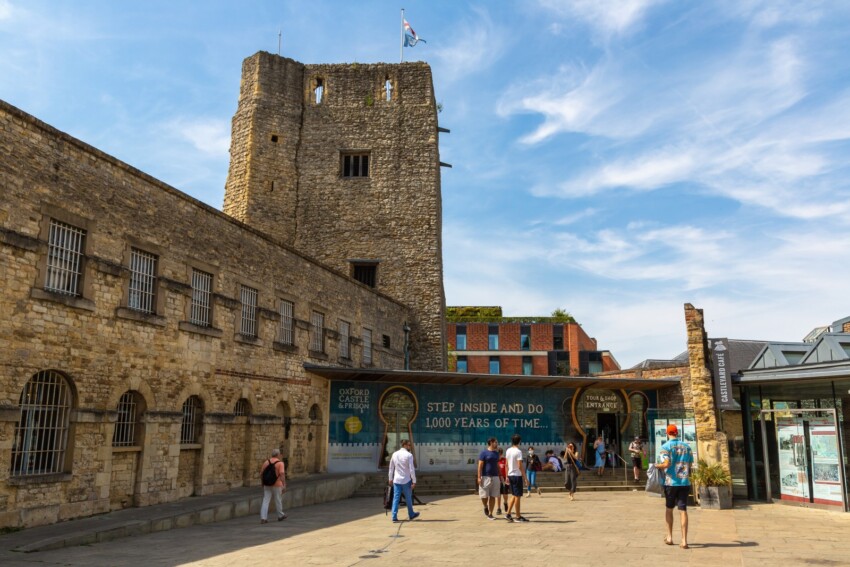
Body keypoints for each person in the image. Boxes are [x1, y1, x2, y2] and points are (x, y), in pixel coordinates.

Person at [655, 424, 693, 549]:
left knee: (669, 509)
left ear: (667, 433)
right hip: (684, 482)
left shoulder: (665, 447)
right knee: (683, 510)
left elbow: (666, 464)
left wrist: (657, 466)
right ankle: (684, 541)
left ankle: (670, 537)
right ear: (677, 433)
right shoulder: (687, 447)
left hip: (671, 482)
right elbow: (690, 464)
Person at [388, 439, 420, 523]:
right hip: (406, 480)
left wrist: (390, 478)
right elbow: (411, 469)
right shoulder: (409, 455)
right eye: (409, 445)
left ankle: (394, 516)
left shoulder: (394, 454)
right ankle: (411, 514)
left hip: (396, 480)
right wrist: (414, 481)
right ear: (405, 445)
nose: (410, 447)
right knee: (408, 498)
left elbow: (391, 468)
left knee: (396, 498)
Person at [505, 434, 530, 522]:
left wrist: (506, 476)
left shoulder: (508, 450)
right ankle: (518, 516)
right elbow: (520, 466)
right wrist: (525, 478)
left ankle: (508, 513)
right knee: (518, 496)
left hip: (510, 475)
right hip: (517, 475)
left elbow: (506, 464)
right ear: (519, 441)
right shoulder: (518, 452)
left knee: (514, 495)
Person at [259, 449, 287, 523]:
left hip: (267, 484)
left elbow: (261, 474)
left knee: (265, 500)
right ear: (278, 455)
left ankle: (263, 518)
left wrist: (262, 483)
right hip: (277, 484)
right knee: (278, 499)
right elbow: (282, 474)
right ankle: (280, 515)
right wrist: (284, 484)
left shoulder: (266, 462)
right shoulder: (280, 463)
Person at [477, 437, 500, 520]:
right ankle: (485, 506)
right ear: (491, 442)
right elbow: (480, 466)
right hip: (485, 477)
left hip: (495, 477)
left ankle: (490, 514)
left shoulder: (497, 453)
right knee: (484, 496)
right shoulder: (483, 453)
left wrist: (501, 475)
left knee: (493, 496)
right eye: (495, 442)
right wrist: (479, 477)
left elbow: (497, 465)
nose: (497, 444)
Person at [497, 447, 509, 515]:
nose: (499, 456)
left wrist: (507, 477)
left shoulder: (505, 460)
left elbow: (507, 468)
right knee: (498, 494)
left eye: (500, 454)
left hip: (504, 479)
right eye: (497, 454)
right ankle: (498, 508)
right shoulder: (495, 461)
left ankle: (505, 502)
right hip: (497, 479)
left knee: (505, 493)